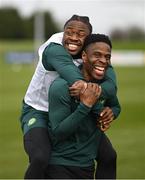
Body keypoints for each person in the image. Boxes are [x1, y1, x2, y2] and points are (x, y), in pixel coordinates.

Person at [20, 15, 120, 179]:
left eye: (80, 34)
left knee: (109, 156)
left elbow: (110, 80)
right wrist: (89, 92)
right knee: (40, 157)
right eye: (69, 32)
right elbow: (71, 75)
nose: (74, 38)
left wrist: (107, 111)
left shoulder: (90, 50)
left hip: (67, 109)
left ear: (88, 38)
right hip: (39, 110)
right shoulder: (54, 47)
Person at [46, 33, 120, 179]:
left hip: (87, 165)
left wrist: (110, 113)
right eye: (97, 55)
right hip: (61, 166)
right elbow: (58, 132)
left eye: (107, 57)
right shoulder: (62, 87)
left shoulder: (103, 85)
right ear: (84, 56)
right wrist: (85, 105)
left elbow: (116, 106)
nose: (103, 61)